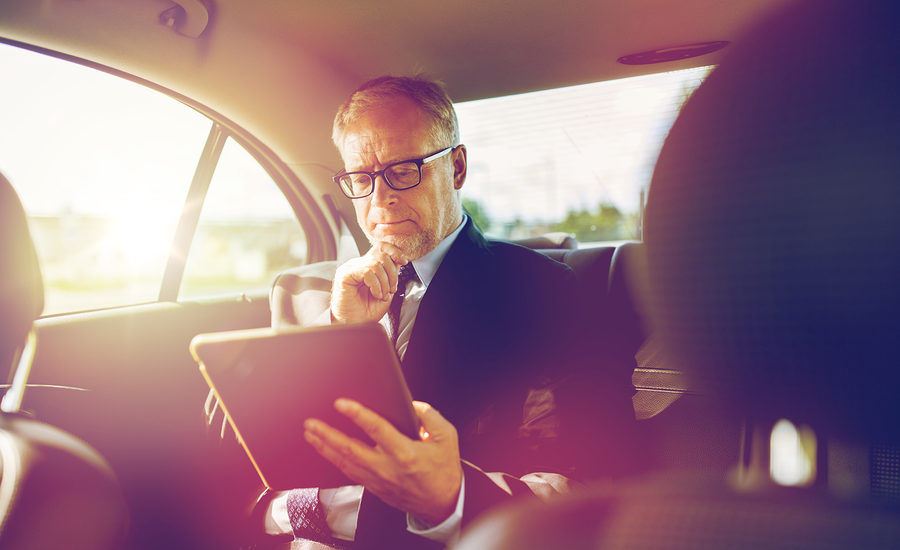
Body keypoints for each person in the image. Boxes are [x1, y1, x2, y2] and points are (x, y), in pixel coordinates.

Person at [251, 75, 636, 549]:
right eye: (361, 178)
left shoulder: (548, 291)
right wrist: (339, 334)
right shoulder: (303, 294)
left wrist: (451, 496)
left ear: (456, 168)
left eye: (403, 170)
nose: (380, 199)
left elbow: (598, 480)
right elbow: (238, 456)